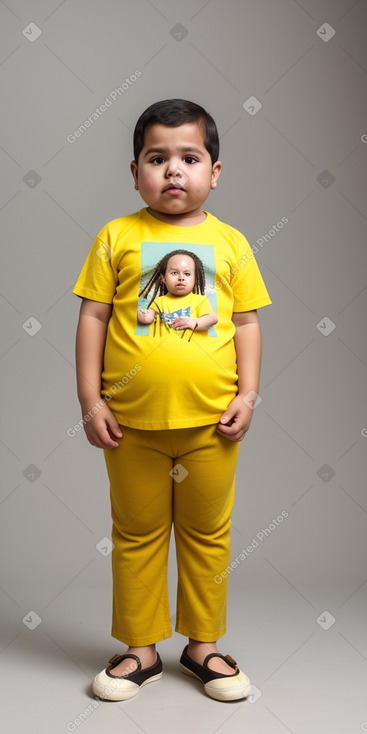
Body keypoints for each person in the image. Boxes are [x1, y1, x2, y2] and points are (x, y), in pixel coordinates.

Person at [72, 98, 271, 702]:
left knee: (209, 532)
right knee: (136, 532)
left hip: (212, 425)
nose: (174, 171)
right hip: (131, 425)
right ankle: (140, 649)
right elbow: (93, 317)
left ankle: (203, 645)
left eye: (190, 157)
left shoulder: (231, 243)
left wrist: (250, 394)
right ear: (135, 172)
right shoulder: (117, 237)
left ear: (215, 172)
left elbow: (245, 325)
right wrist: (91, 400)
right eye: (158, 159)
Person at [137, 249, 218, 339]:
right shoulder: (159, 301)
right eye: (174, 273)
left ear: (195, 279)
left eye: (187, 274)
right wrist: (142, 316)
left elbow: (212, 318)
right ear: (163, 278)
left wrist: (194, 322)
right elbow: (148, 318)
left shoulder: (199, 300)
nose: (181, 278)